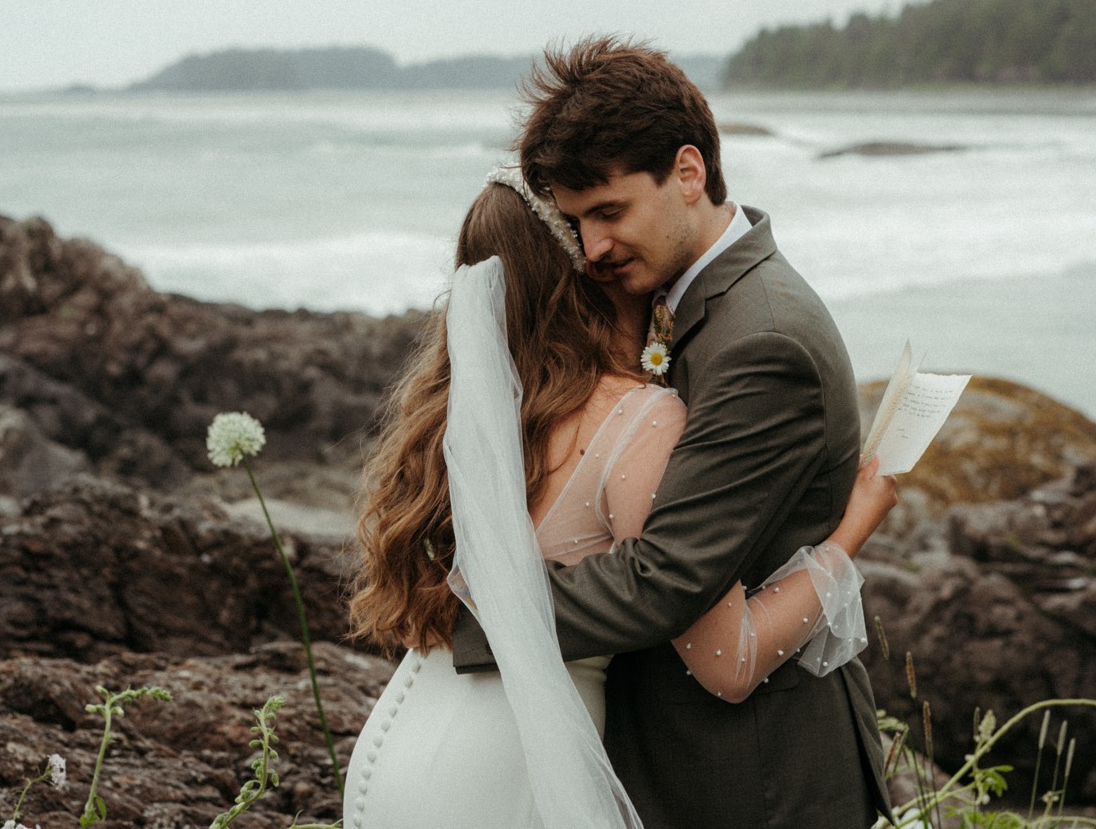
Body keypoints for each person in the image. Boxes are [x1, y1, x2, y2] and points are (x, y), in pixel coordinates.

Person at [344, 164, 896, 826]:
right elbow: (731, 659)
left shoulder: (454, 416)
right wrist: (851, 534)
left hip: (395, 751)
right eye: (597, 239)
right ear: (583, 277)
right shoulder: (638, 420)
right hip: (519, 769)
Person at [448, 37, 895, 828]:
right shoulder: (686, 305)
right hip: (690, 768)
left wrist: (470, 605)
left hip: (755, 781)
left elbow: (665, 576)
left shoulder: (764, 340)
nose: (592, 250)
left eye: (609, 212)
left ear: (689, 173)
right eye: (577, 222)